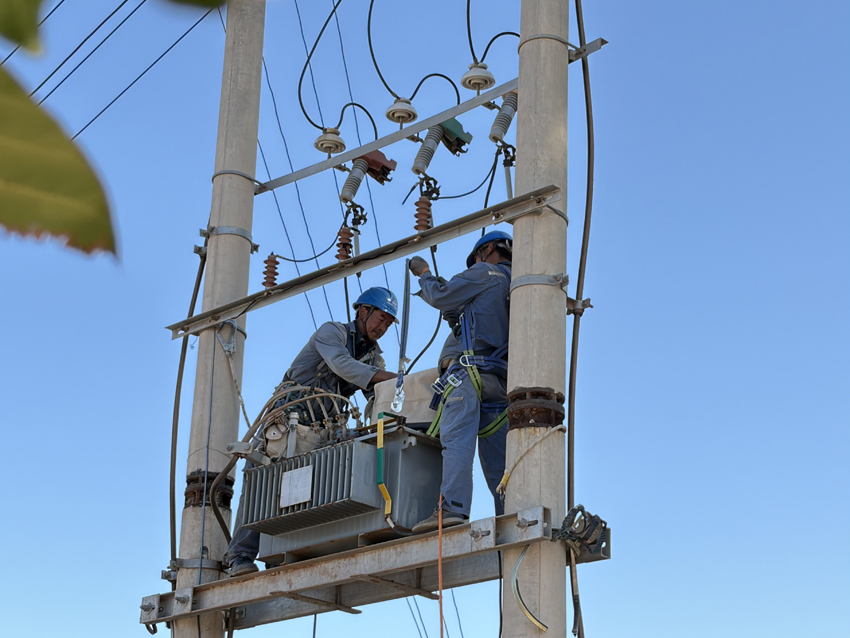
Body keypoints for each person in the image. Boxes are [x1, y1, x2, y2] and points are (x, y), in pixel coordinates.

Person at [224, 287, 399, 576]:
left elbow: (377, 394)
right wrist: (394, 379)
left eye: (388, 324)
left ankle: (281, 551)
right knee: (264, 482)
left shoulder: (375, 360)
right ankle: (240, 555)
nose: (382, 327)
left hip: (323, 429)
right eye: (380, 318)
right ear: (362, 311)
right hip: (288, 421)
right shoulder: (332, 333)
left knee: (310, 490)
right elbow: (343, 366)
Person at [407, 231, 513, 533]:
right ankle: (509, 518)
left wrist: (425, 274)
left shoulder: (484, 272)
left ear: (488, 249)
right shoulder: (518, 284)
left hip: (468, 377)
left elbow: (440, 296)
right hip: (499, 384)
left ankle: (452, 508)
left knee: (456, 443)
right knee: (500, 464)